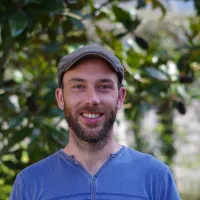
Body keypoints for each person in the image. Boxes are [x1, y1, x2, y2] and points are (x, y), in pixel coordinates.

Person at [10, 45, 181, 200]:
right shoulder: (29, 184)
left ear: (120, 97)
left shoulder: (155, 177)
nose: (92, 99)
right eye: (78, 87)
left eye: (104, 86)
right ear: (60, 98)